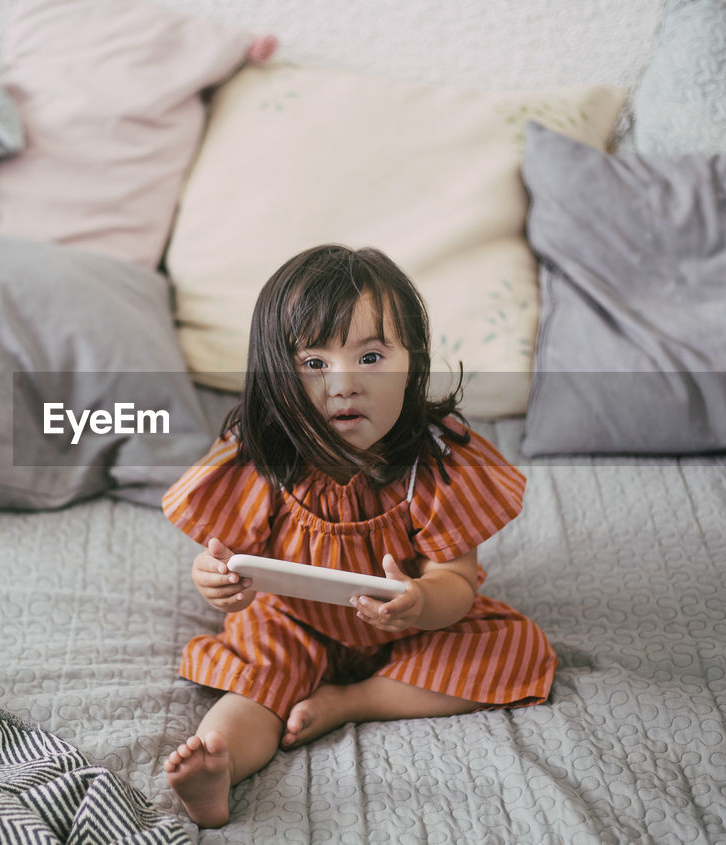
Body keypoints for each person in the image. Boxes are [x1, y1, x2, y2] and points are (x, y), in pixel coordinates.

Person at [160, 244, 556, 828]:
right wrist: (217, 582)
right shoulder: (264, 455)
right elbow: (219, 558)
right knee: (258, 676)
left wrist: (422, 603)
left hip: (407, 632)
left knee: (515, 648)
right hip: (290, 619)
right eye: (313, 364)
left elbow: (456, 580)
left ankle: (357, 699)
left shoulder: (438, 461)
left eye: (371, 357)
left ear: (413, 363)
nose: (343, 385)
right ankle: (217, 765)